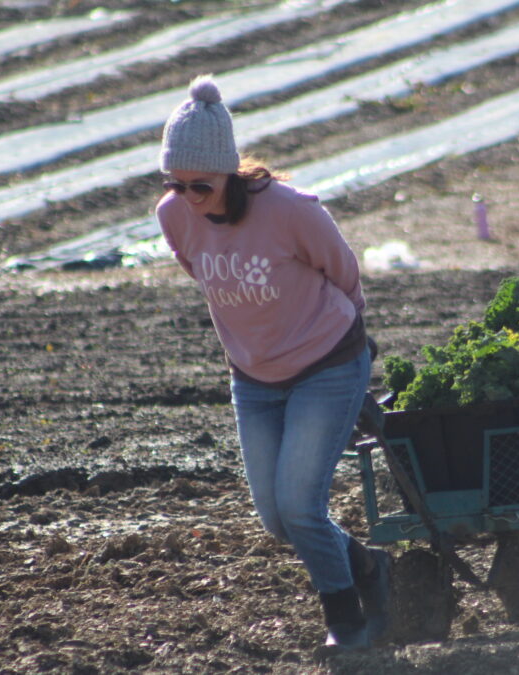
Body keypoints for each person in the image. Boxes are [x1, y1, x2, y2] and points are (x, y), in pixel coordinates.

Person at [155, 75, 391, 649]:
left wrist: (356, 346)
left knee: (301, 507)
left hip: (327, 364)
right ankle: (369, 566)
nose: (189, 196)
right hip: (254, 377)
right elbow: (203, 274)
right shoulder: (174, 215)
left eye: (201, 185)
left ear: (228, 172)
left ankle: (346, 622)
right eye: (176, 184)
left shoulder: (290, 211)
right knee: (278, 519)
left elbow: (343, 272)